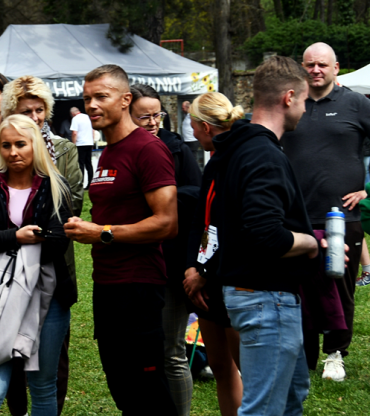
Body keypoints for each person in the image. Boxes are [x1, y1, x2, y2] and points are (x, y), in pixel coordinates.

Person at [197, 55, 316, 415]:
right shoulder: (263, 154)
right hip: (266, 299)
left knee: (293, 396)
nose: (306, 109)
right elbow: (266, 235)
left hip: (251, 294)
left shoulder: (235, 148)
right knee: (262, 409)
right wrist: (311, 243)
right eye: (306, 101)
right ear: (289, 97)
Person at [64, 64, 178, 415]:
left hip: (139, 286)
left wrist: (102, 233)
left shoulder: (148, 148)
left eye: (101, 96)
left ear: (126, 99)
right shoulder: (109, 152)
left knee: (148, 392)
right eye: (87, 99)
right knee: (123, 387)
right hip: (109, 284)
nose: (92, 105)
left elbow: (166, 222)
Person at [0, 74, 82, 416]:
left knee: (50, 362)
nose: (34, 117)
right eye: (26, 110)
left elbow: (71, 205)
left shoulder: (63, 150)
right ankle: (18, 410)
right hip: (3, 275)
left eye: (39, 110)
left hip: (52, 269)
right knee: (7, 355)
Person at [280, 42, 370, 380]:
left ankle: (336, 353)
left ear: (336, 68)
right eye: (310, 65)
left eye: (323, 65)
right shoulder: (289, 102)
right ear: (302, 68)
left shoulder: (357, 104)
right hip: (295, 217)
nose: (316, 70)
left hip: (342, 217)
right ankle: (303, 355)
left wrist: (367, 191)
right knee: (297, 289)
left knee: (340, 286)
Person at [128, 83, 201, 416]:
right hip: (135, 266)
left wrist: (162, 195)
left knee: (171, 352)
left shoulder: (176, 148)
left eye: (157, 114)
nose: (153, 122)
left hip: (172, 263)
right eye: (144, 116)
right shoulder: (124, 150)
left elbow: (197, 194)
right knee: (142, 350)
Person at [182, 92, 246, 416]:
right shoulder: (212, 160)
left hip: (233, 278)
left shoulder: (241, 158)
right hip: (207, 279)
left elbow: (232, 226)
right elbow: (202, 222)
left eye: (193, 125)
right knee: (221, 367)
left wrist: (203, 272)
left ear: (206, 127)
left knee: (245, 367)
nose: (191, 132)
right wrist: (194, 265)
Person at [69, 107, 94, 189]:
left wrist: (73, 144)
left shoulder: (75, 119)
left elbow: (74, 133)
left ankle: (81, 183)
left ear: (72, 113)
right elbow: (93, 130)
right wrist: (92, 141)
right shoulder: (88, 117)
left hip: (80, 144)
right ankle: (91, 183)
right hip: (89, 143)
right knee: (89, 164)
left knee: (80, 164)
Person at [180, 101, 202, 167]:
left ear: (188, 107)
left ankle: (196, 173)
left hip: (192, 140)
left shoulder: (193, 114)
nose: (182, 110)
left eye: (183, 108)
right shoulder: (186, 115)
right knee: (188, 158)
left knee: (193, 158)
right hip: (187, 140)